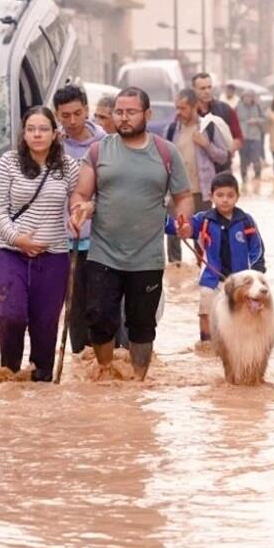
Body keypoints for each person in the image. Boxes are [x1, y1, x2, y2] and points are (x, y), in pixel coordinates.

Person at [69, 87, 193, 381]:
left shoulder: (165, 152)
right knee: (99, 319)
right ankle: (106, 371)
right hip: (103, 254)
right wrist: (79, 209)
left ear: (147, 115)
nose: (123, 118)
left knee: (142, 326)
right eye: (119, 112)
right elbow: (81, 192)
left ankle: (138, 382)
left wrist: (184, 220)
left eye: (130, 112)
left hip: (147, 257)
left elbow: (183, 195)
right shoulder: (99, 151)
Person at [0, 107, 79, 382]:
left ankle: (41, 384)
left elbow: (80, 199)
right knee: (11, 315)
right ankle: (10, 375)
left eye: (43, 129)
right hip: (11, 253)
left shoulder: (69, 166)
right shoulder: (9, 162)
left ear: (55, 134)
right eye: (31, 129)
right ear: (23, 133)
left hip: (54, 258)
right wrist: (18, 239)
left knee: (45, 326)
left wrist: (79, 213)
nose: (37, 134)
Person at [166, 172, 266, 342]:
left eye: (230, 195)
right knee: (206, 312)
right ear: (211, 196)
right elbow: (184, 228)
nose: (225, 199)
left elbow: (257, 249)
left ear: (237, 197)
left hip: (241, 281)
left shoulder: (246, 221)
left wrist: (256, 274)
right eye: (220, 195)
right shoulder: (203, 220)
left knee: (243, 316)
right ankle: (206, 344)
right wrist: (179, 227)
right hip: (211, 279)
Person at [53, 84, 107, 354]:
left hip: (100, 241)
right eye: (65, 116)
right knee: (73, 310)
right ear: (57, 115)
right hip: (64, 242)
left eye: (77, 113)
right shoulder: (53, 146)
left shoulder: (105, 144)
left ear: (87, 109)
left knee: (100, 308)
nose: (72, 121)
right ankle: (80, 363)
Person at [165, 88, 228, 263]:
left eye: (183, 108)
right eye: (177, 107)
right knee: (173, 236)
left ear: (195, 107)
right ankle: (176, 276)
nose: (179, 112)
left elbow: (223, 156)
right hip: (177, 192)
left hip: (202, 191)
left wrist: (206, 144)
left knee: (202, 236)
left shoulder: (208, 128)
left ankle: (201, 271)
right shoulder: (171, 130)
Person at [192, 73, 243, 169]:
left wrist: (227, 154)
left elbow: (238, 138)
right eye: (202, 88)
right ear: (194, 90)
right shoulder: (189, 112)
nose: (207, 91)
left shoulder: (225, 110)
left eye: (209, 87)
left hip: (221, 169)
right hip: (197, 170)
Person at [235, 90, 264, 186]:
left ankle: (257, 178)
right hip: (242, 137)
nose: (247, 99)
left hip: (255, 137)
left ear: (253, 98)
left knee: (256, 158)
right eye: (245, 97)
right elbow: (233, 121)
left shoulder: (257, 107)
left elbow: (265, 119)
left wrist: (256, 120)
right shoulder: (238, 107)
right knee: (243, 160)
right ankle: (244, 180)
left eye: (250, 97)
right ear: (242, 97)